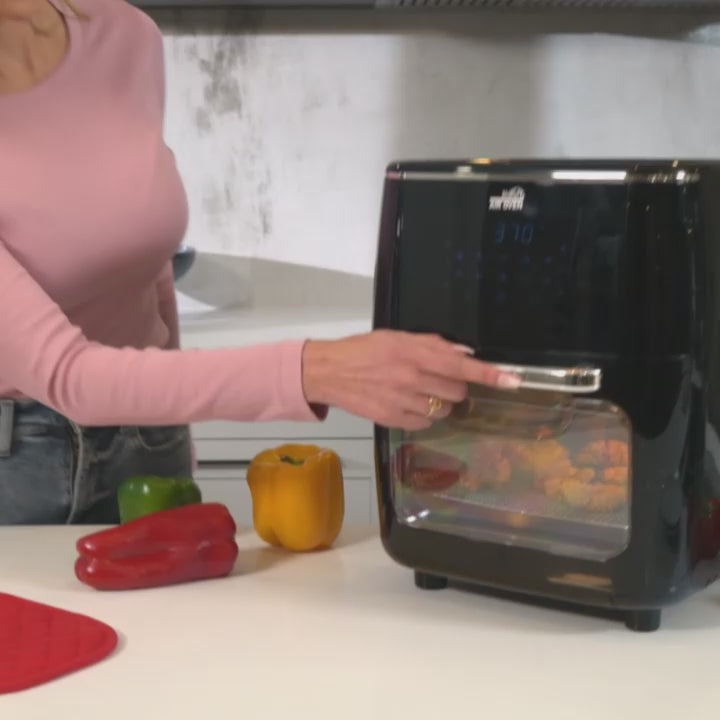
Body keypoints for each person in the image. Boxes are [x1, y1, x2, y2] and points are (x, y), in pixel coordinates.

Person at [0, 0, 521, 525]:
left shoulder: (122, 34)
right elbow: (70, 377)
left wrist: (170, 432)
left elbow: (144, 252)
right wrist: (319, 369)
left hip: (150, 434)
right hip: (19, 467)